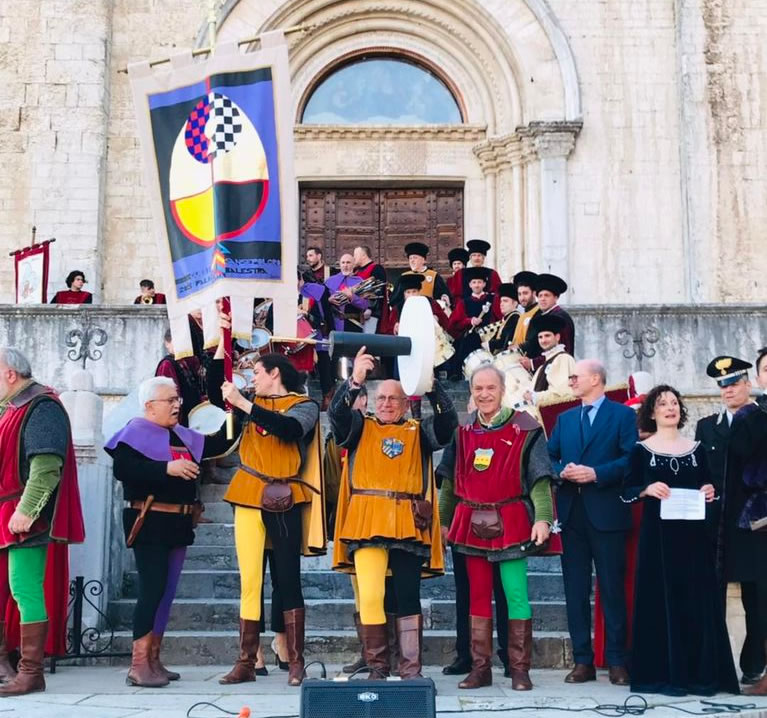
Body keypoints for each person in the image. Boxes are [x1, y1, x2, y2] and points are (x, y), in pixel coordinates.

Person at [330, 349, 457, 679]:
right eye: (381, 397)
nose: (386, 403)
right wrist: (355, 379)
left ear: (404, 403)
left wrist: (430, 385)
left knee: (407, 596)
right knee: (371, 594)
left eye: (394, 398)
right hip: (366, 521)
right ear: (373, 400)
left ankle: (410, 669)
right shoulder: (360, 427)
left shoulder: (419, 432)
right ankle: (377, 667)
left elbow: (447, 423)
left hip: (408, 522)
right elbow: (337, 417)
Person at [105, 374, 236, 687]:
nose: (178, 405)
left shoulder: (181, 434)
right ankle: (138, 665)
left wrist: (236, 410)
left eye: (177, 399)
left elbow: (221, 442)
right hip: (149, 521)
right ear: (150, 406)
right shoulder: (133, 432)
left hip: (178, 524)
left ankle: (154, 658)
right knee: (152, 590)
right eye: (171, 400)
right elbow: (124, 470)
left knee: (165, 594)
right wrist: (167, 468)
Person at [216, 331, 325, 687]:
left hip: (285, 494)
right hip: (249, 492)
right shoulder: (248, 403)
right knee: (250, 580)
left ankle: (295, 661)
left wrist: (246, 405)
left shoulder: (303, 404)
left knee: (288, 577)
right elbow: (214, 387)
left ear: (275, 373)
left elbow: (290, 430)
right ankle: (246, 660)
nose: (253, 379)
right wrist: (221, 340)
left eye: (258, 373)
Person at [440, 365, 553, 690]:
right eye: (478, 389)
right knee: (476, 597)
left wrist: (543, 518)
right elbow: (449, 483)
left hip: (512, 521)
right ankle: (480, 668)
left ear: (502, 390)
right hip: (470, 523)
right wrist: (443, 522)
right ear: (472, 392)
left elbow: (540, 481)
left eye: (491, 388)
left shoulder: (526, 428)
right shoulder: (462, 433)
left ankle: (519, 669)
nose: (484, 394)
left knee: (516, 594)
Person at [621, 385, 739, 696]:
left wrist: (709, 492)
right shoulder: (640, 450)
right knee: (660, 603)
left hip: (693, 540)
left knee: (695, 602)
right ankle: (665, 675)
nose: (670, 408)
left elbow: (709, 487)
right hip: (657, 542)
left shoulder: (697, 448)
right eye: (662, 404)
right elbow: (626, 490)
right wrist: (647, 490)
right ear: (652, 412)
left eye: (674, 403)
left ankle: (698, 676)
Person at [0, 347, 85, 697]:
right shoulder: (12, 408)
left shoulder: (41, 406)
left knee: (24, 588)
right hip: (6, 512)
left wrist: (27, 509)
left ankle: (31, 672)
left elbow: (46, 466)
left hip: (24, 517)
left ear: (9, 374)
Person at [547, 359, 637, 685]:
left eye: (576, 376)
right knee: (575, 591)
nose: (571, 381)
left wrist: (597, 473)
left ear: (596, 378)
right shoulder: (565, 418)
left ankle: (616, 660)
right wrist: (562, 472)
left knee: (612, 590)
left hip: (608, 514)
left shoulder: (623, 415)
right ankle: (582, 661)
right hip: (572, 516)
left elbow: (631, 459)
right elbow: (549, 456)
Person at [724, 350, 767, 696]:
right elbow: (739, 462)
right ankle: (756, 666)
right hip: (760, 522)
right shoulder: (750, 417)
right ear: (758, 378)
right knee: (758, 598)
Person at [448, 267, 500, 377]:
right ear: (470, 285)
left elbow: (500, 318)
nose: (477, 285)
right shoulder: (463, 302)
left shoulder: (492, 299)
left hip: (489, 338)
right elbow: (454, 323)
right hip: (470, 339)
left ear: (484, 284)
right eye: (474, 282)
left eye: (480, 282)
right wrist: (469, 321)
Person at [520, 274, 574, 372]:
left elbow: (560, 351)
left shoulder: (560, 317)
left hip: (559, 371)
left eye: (547, 295)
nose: (542, 299)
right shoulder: (546, 315)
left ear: (556, 297)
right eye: (540, 296)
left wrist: (532, 363)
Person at [522, 314, 576, 407]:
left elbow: (561, 394)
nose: (543, 340)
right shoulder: (545, 364)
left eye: (547, 336)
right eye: (540, 337)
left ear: (557, 337)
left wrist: (534, 397)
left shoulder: (562, 359)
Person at [154, 330, 203, 427]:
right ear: (167, 344)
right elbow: (167, 396)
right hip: (179, 420)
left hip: (191, 415)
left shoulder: (185, 361)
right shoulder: (166, 365)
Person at [393, 242, 450, 307]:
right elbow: (395, 299)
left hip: (429, 311)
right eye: (410, 258)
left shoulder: (433, 276)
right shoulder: (404, 277)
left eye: (415, 258)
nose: (412, 261)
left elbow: (442, 296)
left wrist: (444, 297)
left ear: (423, 260)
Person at [325, 253, 369, 333]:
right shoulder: (329, 281)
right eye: (343, 262)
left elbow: (365, 305)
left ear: (353, 265)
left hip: (354, 324)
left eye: (348, 262)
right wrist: (328, 300)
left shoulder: (360, 282)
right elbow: (321, 304)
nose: (345, 265)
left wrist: (352, 297)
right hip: (334, 324)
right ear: (340, 265)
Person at [353, 245, 388, 334]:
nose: (354, 258)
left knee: (368, 339)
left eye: (355, 255)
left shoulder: (376, 269)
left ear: (364, 255)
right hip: (357, 313)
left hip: (370, 314)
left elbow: (378, 290)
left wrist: (370, 308)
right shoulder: (356, 271)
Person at [487, 283, 519, 355]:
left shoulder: (514, 318)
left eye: (505, 301)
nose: (501, 304)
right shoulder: (506, 318)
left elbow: (505, 341)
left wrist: (489, 344)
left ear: (515, 303)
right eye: (501, 301)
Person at [510, 272, 540, 348]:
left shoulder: (538, 313)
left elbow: (534, 342)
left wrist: (520, 347)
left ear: (534, 293)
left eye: (525, 293)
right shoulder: (523, 314)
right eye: (519, 294)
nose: (522, 298)